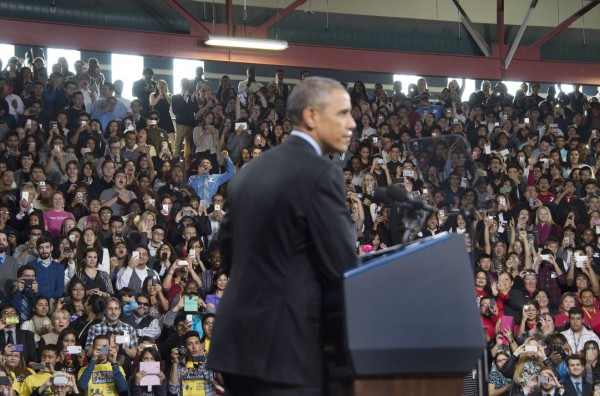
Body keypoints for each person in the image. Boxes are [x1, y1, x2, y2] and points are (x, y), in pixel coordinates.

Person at [207, 77, 357, 395]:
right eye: (343, 113)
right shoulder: (321, 172)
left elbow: (229, 257)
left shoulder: (250, 172)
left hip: (237, 346)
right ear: (311, 116)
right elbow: (341, 270)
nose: (352, 123)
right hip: (286, 353)